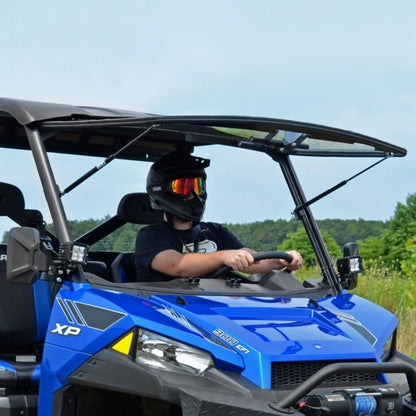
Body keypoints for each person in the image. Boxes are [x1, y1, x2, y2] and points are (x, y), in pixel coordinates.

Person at [134, 151, 303, 282]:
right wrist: (223, 256)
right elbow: (177, 265)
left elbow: (251, 260)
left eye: (198, 187)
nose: (193, 195)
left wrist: (281, 260)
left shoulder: (215, 231)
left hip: (211, 310)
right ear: (160, 191)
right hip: (167, 314)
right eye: (183, 187)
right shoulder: (150, 237)